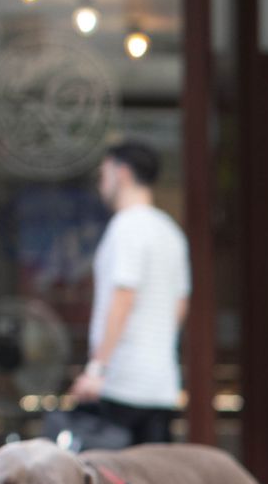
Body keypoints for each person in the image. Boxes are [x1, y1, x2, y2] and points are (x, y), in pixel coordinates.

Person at [68, 141, 190, 446]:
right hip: (161, 385)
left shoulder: (126, 227)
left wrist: (97, 368)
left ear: (120, 172)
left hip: (121, 385)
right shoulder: (170, 231)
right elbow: (180, 303)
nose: (101, 184)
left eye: (103, 174)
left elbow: (123, 297)